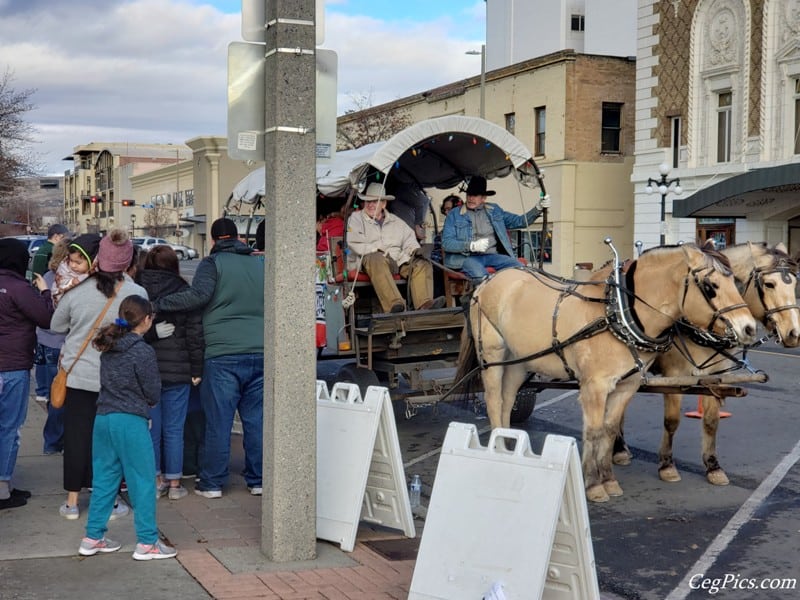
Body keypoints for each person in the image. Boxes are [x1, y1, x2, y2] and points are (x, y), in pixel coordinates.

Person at [153, 217, 264, 499]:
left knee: (219, 421)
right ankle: (258, 479)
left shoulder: (212, 264)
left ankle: (213, 483)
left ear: (214, 241)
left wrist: (157, 304)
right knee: (256, 422)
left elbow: (197, 296)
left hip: (223, 353)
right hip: (260, 351)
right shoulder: (259, 263)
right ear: (237, 237)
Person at [50, 229, 148, 520]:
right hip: (118, 380)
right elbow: (143, 329)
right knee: (112, 442)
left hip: (79, 375)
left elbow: (56, 325)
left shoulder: (78, 291)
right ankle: (111, 500)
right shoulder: (137, 294)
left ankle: (71, 502)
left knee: (77, 438)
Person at [78, 295, 177, 560]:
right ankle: (147, 542)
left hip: (103, 418)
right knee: (142, 481)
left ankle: (92, 537)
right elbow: (152, 391)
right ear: (146, 320)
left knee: (104, 480)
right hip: (130, 420)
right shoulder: (143, 351)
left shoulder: (109, 346)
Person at [138, 245, 204, 501]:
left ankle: (155, 480)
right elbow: (195, 336)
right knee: (175, 429)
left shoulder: (138, 290)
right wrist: (197, 369)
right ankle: (175, 483)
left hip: (148, 371)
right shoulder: (185, 292)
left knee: (151, 428)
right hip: (180, 370)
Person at [0, 238, 53, 510]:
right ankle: (3, 487)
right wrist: (45, 292)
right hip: (12, 367)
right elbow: (46, 318)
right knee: (9, 427)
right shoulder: (19, 288)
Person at [38, 234, 101, 455]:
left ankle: (55, 443)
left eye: (77, 262)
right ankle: (62, 444)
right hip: (68, 347)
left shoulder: (54, 277)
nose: (73, 265)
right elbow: (56, 319)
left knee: (61, 399)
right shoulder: (75, 282)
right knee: (67, 401)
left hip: (59, 345)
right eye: (71, 261)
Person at [346, 182, 445, 313]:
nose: (370, 205)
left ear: (384, 204)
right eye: (367, 201)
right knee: (376, 259)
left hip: (397, 260)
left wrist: (415, 250)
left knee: (422, 263)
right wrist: (380, 250)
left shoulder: (395, 221)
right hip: (369, 260)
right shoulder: (356, 218)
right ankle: (395, 305)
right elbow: (354, 242)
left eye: (375, 201)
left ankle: (424, 304)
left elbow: (409, 239)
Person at [442, 175, 551, 284]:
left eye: (475, 195)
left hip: (492, 256)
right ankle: (473, 300)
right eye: (469, 194)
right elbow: (446, 243)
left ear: (484, 198)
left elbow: (520, 221)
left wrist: (538, 208)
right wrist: (471, 245)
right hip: (467, 258)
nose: (470, 198)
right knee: (482, 278)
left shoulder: (494, 210)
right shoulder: (454, 214)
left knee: (521, 269)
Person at [31, 223, 70, 402]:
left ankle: (41, 392)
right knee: (56, 388)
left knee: (43, 369)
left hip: (43, 335)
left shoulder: (47, 275)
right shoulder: (70, 281)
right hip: (58, 339)